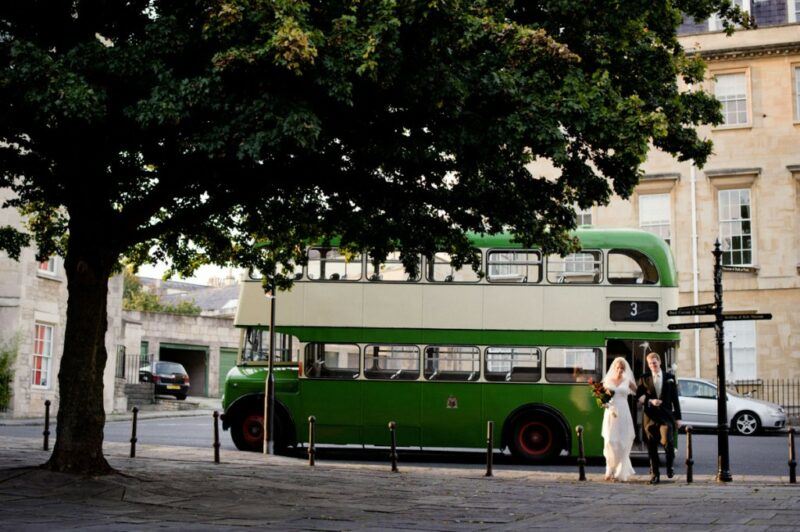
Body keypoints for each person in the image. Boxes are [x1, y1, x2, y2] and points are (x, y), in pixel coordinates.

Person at [637, 352, 682, 484]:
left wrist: (678, 418)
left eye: (654, 362)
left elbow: (675, 399)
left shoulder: (670, 378)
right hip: (650, 417)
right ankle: (655, 474)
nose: (653, 365)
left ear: (659, 362)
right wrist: (651, 401)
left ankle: (669, 465)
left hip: (666, 416)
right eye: (650, 363)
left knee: (668, 441)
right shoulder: (644, 378)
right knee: (651, 447)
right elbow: (639, 397)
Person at [600, 357, 637, 481]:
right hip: (611, 412)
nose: (620, 370)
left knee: (622, 441)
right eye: (618, 367)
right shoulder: (607, 380)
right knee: (609, 440)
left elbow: (638, 391)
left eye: (622, 368)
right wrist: (603, 402)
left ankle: (620, 471)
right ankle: (609, 469)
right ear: (614, 368)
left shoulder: (627, 381)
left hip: (623, 411)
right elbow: (601, 396)